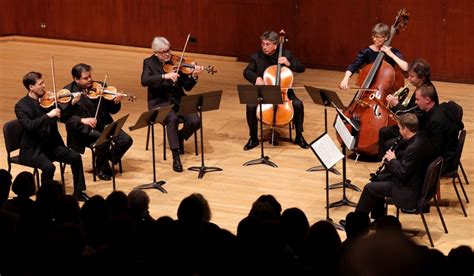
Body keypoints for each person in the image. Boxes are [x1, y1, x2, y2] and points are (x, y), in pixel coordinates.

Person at [14, 72, 89, 201]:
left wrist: (72, 104)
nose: (44, 86)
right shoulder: (22, 106)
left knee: (75, 157)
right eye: (40, 84)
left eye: (43, 83)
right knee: (49, 167)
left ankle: (78, 192)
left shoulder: (49, 100)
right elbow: (29, 126)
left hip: (52, 145)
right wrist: (48, 115)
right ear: (31, 87)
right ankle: (45, 199)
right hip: (34, 149)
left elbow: (63, 117)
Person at [353, 113, 433, 221]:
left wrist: (392, 159)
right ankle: (378, 218)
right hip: (414, 180)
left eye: (399, 128)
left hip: (408, 189)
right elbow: (409, 162)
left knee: (369, 188)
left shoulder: (413, 148)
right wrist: (396, 157)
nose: (399, 131)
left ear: (405, 129)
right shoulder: (421, 138)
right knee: (377, 178)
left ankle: (357, 222)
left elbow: (402, 173)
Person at [141, 36, 202, 172]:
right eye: (163, 52)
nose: (167, 54)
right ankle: (176, 157)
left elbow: (187, 87)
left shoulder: (178, 61)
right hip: (159, 101)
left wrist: (194, 76)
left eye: (168, 50)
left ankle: (179, 137)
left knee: (195, 121)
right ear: (156, 52)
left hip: (178, 100)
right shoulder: (149, 63)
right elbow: (144, 80)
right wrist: (164, 76)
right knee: (172, 119)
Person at [63, 63, 133, 180]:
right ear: (76, 79)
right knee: (103, 141)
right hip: (83, 130)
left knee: (126, 140)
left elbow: (112, 110)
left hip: (103, 124)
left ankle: (105, 158)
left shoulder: (100, 86)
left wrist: (116, 102)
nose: (90, 80)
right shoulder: (68, 93)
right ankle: (101, 168)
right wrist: (82, 120)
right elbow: (64, 117)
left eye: (90, 76)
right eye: (86, 78)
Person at [243, 30, 309, 150]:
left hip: (284, 93)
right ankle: (253, 138)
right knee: (251, 106)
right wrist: (256, 78)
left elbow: (301, 68)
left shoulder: (286, 54)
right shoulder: (256, 57)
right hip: (264, 92)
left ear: (275, 45)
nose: (264, 47)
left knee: (298, 104)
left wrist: (289, 63)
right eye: (262, 44)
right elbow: (247, 72)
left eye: (267, 44)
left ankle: (299, 136)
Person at [377, 58, 438, 160]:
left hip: (417, 131)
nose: (409, 78)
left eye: (412, 76)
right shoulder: (422, 87)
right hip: (412, 125)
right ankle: (381, 161)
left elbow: (414, 119)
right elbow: (411, 110)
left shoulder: (425, 92)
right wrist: (397, 110)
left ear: (422, 77)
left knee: (388, 143)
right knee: (384, 131)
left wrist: (396, 105)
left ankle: (390, 163)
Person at [339, 23, 409, 90]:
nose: (374, 39)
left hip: (386, 86)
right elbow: (353, 66)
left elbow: (405, 67)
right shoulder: (367, 51)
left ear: (386, 37)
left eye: (377, 37)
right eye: (373, 36)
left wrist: (391, 54)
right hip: (370, 84)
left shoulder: (393, 51)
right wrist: (345, 79)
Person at [415, 84, 463, 173]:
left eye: (418, 99)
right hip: (447, 153)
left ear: (427, 100)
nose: (416, 102)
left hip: (443, 162)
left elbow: (435, 150)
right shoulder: (440, 108)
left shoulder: (435, 121)